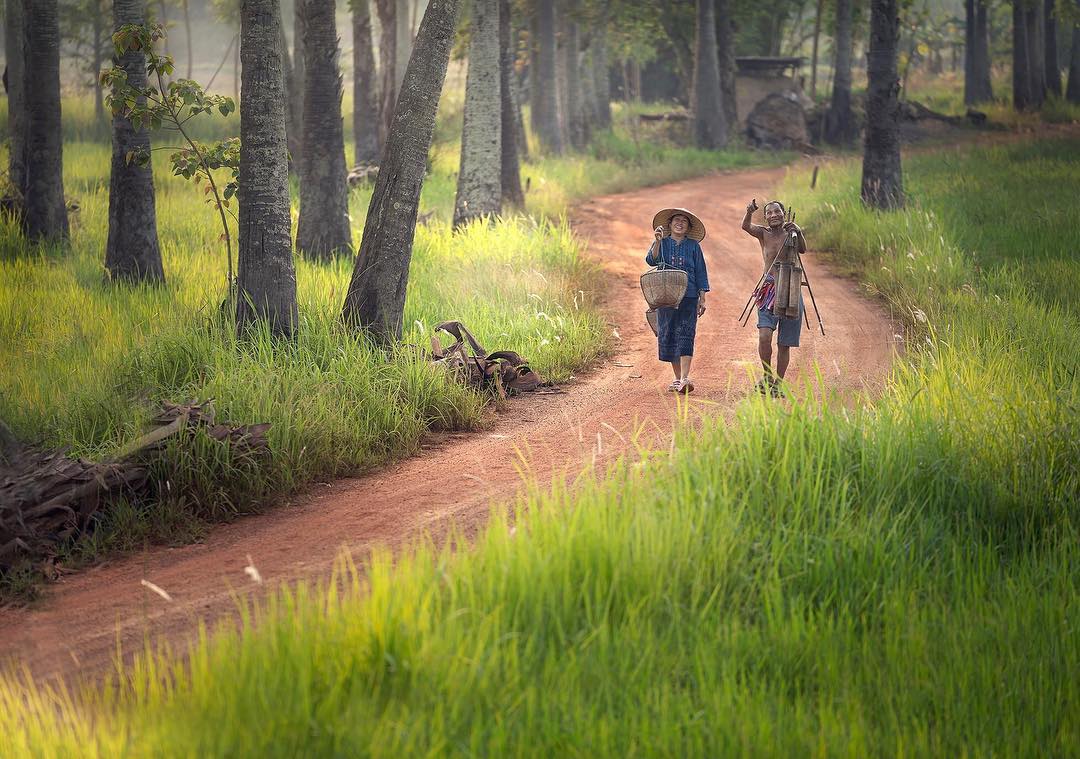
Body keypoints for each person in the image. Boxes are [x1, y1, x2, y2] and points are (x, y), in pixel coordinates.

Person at [741, 199, 805, 395]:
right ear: (766, 217)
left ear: (784, 214)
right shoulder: (763, 233)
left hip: (790, 291)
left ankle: (778, 383)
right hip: (768, 290)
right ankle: (767, 375)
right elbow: (745, 226)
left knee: (784, 343)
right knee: (764, 336)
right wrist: (749, 211)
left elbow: (802, 249)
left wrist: (799, 231)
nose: (774, 215)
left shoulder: (792, 233)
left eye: (777, 211)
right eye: (769, 213)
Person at [646, 208, 710, 394]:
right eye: (677, 220)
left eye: (684, 221)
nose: (680, 223)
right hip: (665, 296)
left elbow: (700, 272)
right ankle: (677, 378)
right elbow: (651, 260)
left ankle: (684, 378)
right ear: (670, 224)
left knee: (686, 334)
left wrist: (702, 297)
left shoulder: (693, 246)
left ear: (688, 227)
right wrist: (656, 242)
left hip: (689, 296)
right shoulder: (662, 243)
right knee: (670, 334)